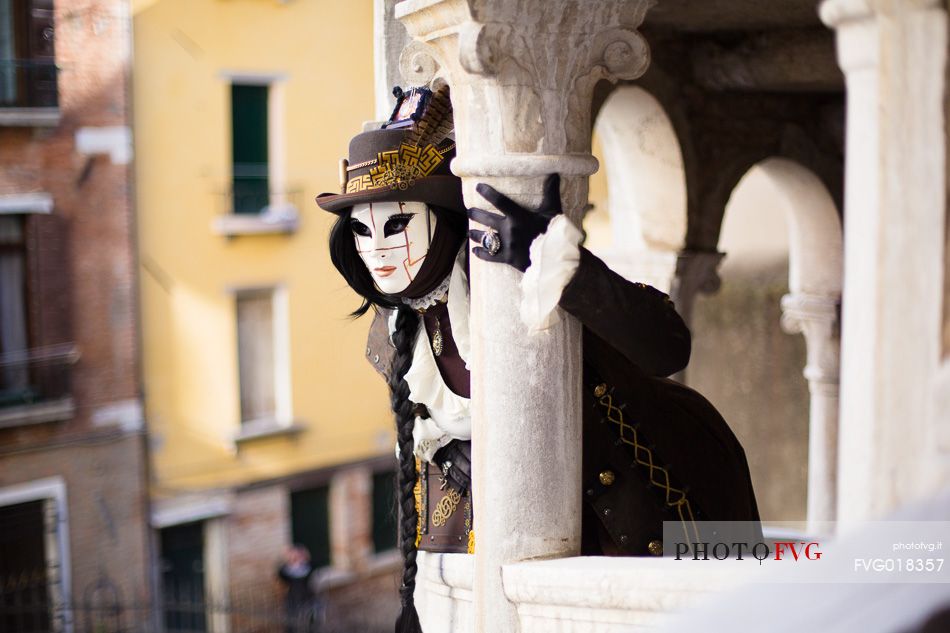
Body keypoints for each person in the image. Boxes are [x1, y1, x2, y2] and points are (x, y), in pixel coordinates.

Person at [317, 86, 760, 633]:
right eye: (359, 231)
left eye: (396, 224)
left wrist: (559, 263)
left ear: (442, 216)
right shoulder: (391, 341)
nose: (377, 250)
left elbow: (668, 346)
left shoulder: (521, 282)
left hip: (664, 512)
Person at [276, 545, 322, 633]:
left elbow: (314, 568)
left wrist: (304, 559)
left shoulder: (310, 567)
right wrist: (288, 559)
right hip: (293, 598)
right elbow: (281, 573)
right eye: (294, 555)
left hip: (309, 597)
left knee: (311, 622)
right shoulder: (285, 570)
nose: (297, 557)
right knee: (291, 622)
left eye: (299, 555)